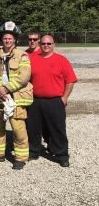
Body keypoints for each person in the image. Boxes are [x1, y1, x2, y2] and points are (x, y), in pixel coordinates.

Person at [0, 21, 33, 170]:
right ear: (1, 39)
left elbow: (24, 76)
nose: (7, 40)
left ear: (15, 40)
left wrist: (7, 88)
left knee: (18, 128)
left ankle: (20, 158)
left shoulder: (22, 56)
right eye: (5, 38)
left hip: (16, 96)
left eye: (10, 38)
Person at [27, 35, 77, 167]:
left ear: (54, 44)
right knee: (33, 128)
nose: (46, 45)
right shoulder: (32, 59)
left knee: (57, 128)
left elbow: (70, 80)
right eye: (43, 43)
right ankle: (34, 151)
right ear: (40, 44)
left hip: (55, 100)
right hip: (35, 100)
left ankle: (61, 155)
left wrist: (65, 97)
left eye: (49, 43)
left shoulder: (61, 60)